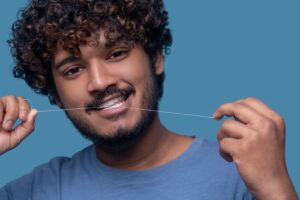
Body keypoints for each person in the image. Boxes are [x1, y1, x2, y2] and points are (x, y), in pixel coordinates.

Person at [0, 0, 297, 199]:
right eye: (74, 69)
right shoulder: (38, 191)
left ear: (155, 58)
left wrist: (275, 187)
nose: (100, 82)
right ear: (56, 95)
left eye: (116, 53)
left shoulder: (242, 174)